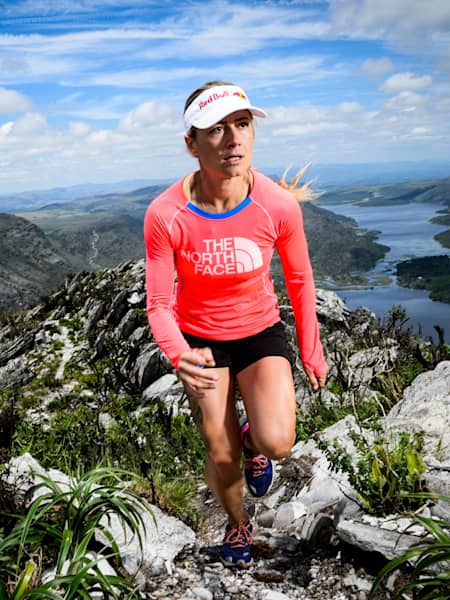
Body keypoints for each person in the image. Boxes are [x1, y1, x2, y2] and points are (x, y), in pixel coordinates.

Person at [144, 80, 328, 569]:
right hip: (201, 339)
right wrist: (178, 352)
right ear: (191, 144)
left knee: (278, 441)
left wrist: (311, 348)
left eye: (242, 124)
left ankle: (254, 443)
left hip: (259, 331)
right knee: (219, 451)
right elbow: (159, 303)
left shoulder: (277, 205)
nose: (234, 139)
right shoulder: (166, 214)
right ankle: (237, 522)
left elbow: (301, 281)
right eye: (217, 129)